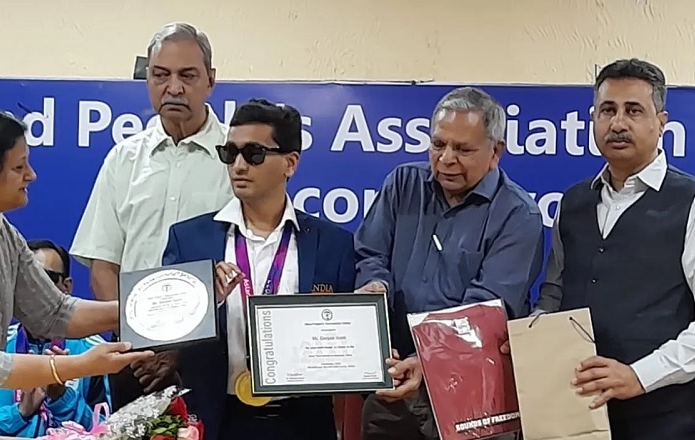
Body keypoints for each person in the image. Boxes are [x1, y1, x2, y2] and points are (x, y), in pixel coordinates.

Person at [0, 106, 152, 440]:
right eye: (19, 167)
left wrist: (145, 311)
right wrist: (82, 365)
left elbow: (53, 311)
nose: (31, 175)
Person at [354, 87, 544, 440]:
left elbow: (485, 307)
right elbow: (371, 254)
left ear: (495, 153)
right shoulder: (403, 184)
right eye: (438, 144)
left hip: (471, 399)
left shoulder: (518, 215)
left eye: (463, 149)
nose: (445, 159)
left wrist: (428, 360)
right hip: (393, 387)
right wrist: (374, 286)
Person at [162, 99, 356, 440]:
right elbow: (165, 331)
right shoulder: (189, 239)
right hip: (215, 421)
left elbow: (348, 343)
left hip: (302, 424)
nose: (238, 165)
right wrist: (204, 301)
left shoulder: (333, 245)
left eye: (253, 154)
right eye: (230, 153)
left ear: (290, 163)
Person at [70, 22, 232, 410]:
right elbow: (103, 266)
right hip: (133, 360)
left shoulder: (237, 158)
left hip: (214, 359)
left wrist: (180, 350)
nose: (173, 88)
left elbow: (248, 265)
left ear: (210, 81)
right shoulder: (122, 160)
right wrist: (137, 344)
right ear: (148, 81)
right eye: (161, 75)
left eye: (187, 75)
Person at [530, 58, 695, 438]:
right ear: (593, 119)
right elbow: (554, 294)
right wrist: (530, 341)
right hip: (573, 415)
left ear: (661, 122)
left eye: (633, 111)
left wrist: (640, 375)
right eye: (607, 110)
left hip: (665, 419)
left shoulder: (689, 202)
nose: (617, 123)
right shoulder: (573, 202)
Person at [0, 239, 112, 438]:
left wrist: (61, 397)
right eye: (23, 279)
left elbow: (110, 431)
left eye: (46, 278)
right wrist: (19, 413)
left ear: (66, 286)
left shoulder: (95, 352)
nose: (34, 289)